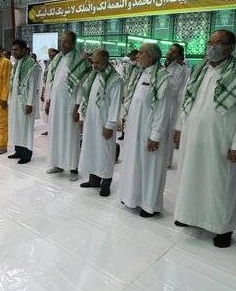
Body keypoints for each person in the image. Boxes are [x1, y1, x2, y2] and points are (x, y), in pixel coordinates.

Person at [173, 30, 236, 248]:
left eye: (218, 43)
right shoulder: (198, 70)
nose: (212, 46)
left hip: (221, 139)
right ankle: (190, 216)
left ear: (231, 47)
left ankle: (223, 228)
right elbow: (185, 101)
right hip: (193, 136)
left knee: (220, 184)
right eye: (210, 42)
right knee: (190, 176)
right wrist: (180, 128)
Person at [118, 44, 172, 214]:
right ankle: (131, 197)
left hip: (149, 132)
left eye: (141, 53)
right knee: (133, 164)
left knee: (150, 167)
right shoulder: (140, 73)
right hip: (134, 129)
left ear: (151, 57)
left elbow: (162, 110)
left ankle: (149, 205)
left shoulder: (163, 77)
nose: (137, 56)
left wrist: (155, 136)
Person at [45, 31, 92, 181]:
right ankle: (58, 163)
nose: (62, 44)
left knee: (70, 135)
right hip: (56, 104)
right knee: (56, 133)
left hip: (70, 105)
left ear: (73, 43)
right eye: (61, 41)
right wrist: (49, 101)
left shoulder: (80, 62)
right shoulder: (57, 59)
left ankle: (73, 168)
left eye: (65, 42)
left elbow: (81, 88)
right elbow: (52, 82)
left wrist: (77, 107)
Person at [77, 49, 123, 196]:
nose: (94, 65)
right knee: (91, 149)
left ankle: (106, 182)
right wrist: (82, 117)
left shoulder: (115, 79)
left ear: (106, 60)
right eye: (93, 62)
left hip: (104, 123)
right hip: (91, 121)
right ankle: (93, 180)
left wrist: (110, 125)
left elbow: (115, 104)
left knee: (105, 152)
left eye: (97, 62)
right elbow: (86, 97)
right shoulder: (94, 75)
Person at [8, 40, 39, 164]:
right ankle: (18, 151)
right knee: (17, 125)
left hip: (25, 101)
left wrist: (29, 103)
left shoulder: (31, 64)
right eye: (13, 49)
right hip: (16, 101)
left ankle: (26, 154)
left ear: (24, 50)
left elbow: (32, 86)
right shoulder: (17, 63)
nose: (13, 52)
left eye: (16, 49)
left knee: (25, 128)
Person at [163, 44, 189, 168]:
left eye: (174, 52)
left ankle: (166, 161)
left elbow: (173, 90)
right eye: (170, 49)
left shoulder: (180, 71)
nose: (170, 52)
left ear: (178, 56)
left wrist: (158, 89)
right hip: (158, 105)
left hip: (171, 106)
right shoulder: (160, 68)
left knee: (168, 134)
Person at [40, 48, 59, 136]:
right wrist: (43, 91)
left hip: (54, 90)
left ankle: (54, 130)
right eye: (50, 55)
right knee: (47, 111)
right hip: (47, 88)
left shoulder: (58, 65)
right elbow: (45, 78)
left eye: (53, 55)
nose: (51, 57)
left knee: (53, 110)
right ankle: (49, 129)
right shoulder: (48, 64)